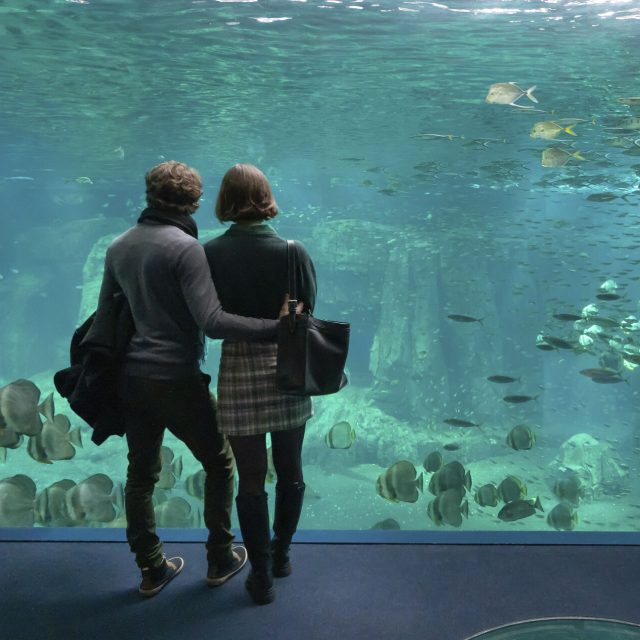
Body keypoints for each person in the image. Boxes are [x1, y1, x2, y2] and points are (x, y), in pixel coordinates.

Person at [94, 160, 283, 597]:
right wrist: (274, 328)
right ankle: (220, 556)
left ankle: (151, 567)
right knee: (219, 463)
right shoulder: (184, 247)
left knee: (141, 473)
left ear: (149, 195)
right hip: (176, 377)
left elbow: (105, 322)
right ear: (195, 202)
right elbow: (213, 322)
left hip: (132, 379)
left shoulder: (118, 247)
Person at [204, 164, 316, 605]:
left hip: (237, 366)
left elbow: (207, 317)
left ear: (224, 201)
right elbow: (308, 315)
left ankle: (261, 576)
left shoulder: (209, 253)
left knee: (250, 479)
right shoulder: (293, 251)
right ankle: (282, 554)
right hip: (287, 365)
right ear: (267, 196)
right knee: (290, 469)